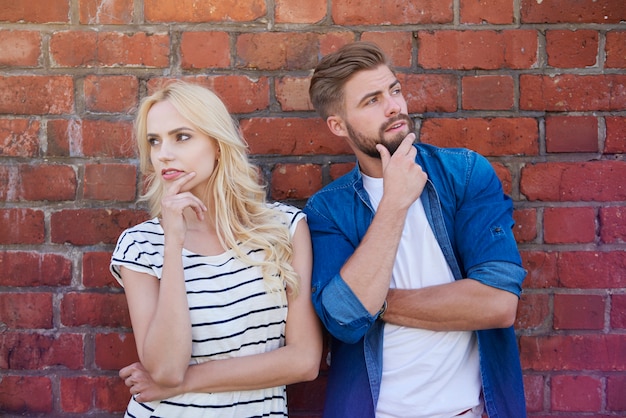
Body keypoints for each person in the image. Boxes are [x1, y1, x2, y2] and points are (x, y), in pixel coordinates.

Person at [304, 41, 527, 418]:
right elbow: (343, 320)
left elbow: (498, 303)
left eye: (394, 90)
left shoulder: (465, 175)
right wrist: (393, 203)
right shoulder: (328, 210)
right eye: (371, 100)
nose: (394, 106)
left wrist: (375, 301)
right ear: (337, 125)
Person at [110, 81, 322, 417]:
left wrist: (185, 382)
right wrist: (173, 244)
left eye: (181, 136)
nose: (164, 153)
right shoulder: (141, 245)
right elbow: (165, 369)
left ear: (218, 144)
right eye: (154, 141)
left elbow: (304, 361)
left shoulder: (284, 228)